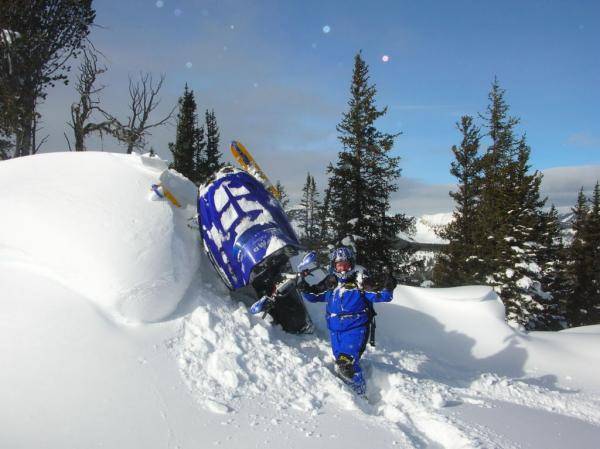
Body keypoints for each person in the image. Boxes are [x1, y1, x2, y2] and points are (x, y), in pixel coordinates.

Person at [297, 246, 397, 395]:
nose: (343, 268)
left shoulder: (359, 283)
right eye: (339, 265)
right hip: (335, 332)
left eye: (345, 264)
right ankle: (350, 390)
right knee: (343, 362)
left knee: (346, 363)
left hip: (355, 330)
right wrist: (304, 287)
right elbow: (314, 296)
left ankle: (359, 395)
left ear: (351, 264)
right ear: (334, 266)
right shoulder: (331, 284)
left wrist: (388, 286)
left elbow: (381, 296)